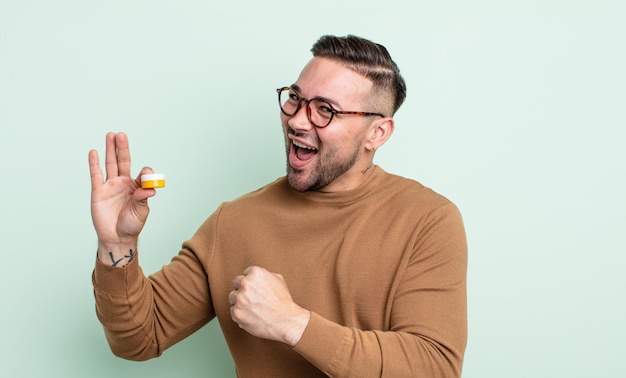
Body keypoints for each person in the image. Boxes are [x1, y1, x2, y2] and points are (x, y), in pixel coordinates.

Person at [89, 34, 467, 377]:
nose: (298, 121)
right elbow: (138, 338)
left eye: (325, 110)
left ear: (377, 133)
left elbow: (433, 367)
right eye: (295, 99)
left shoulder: (428, 220)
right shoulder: (235, 221)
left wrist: (293, 323)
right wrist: (117, 245)